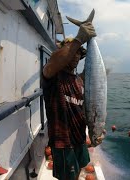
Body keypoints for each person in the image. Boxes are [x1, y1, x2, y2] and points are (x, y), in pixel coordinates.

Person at [42, 21, 96, 180]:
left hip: (79, 139)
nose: (76, 55)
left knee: (79, 170)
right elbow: (55, 61)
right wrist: (80, 38)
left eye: (79, 52)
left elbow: (81, 109)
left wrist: (95, 129)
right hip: (63, 143)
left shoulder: (79, 81)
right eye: (72, 50)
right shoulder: (52, 75)